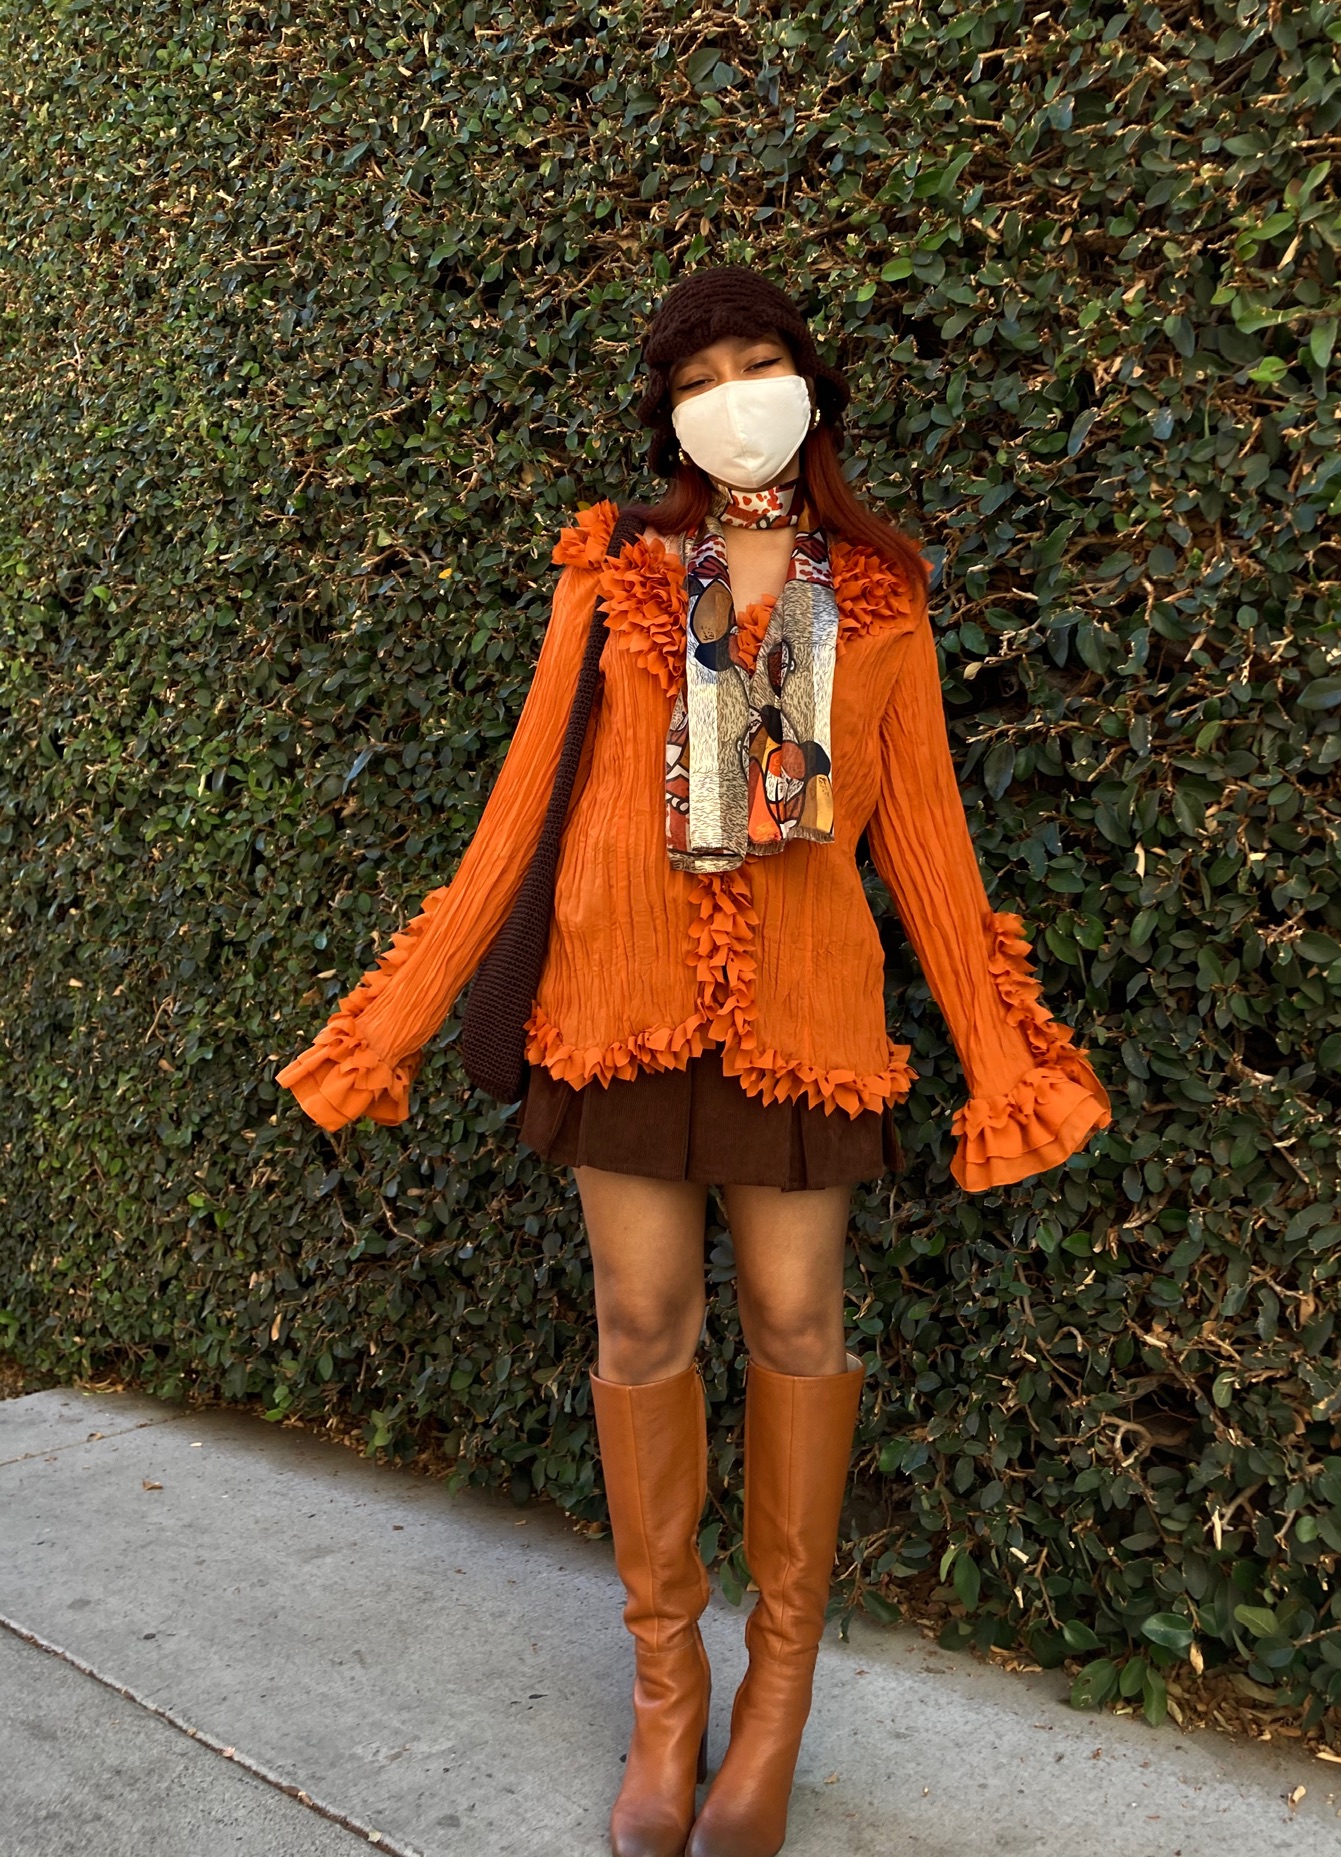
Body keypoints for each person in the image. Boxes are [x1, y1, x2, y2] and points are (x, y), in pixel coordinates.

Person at [276, 265, 1113, 1857]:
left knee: (799, 1326)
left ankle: (774, 1701)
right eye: (701, 373)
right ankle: (669, 1696)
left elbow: (929, 848)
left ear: (810, 383)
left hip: (806, 1022)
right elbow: (517, 811)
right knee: (640, 1322)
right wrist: (383, 1024)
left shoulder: (879, 602)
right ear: (667, 412)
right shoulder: (613, 579)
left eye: (762, 361)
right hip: (619, 1008)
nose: (736, 391)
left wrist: (1009, 1062)